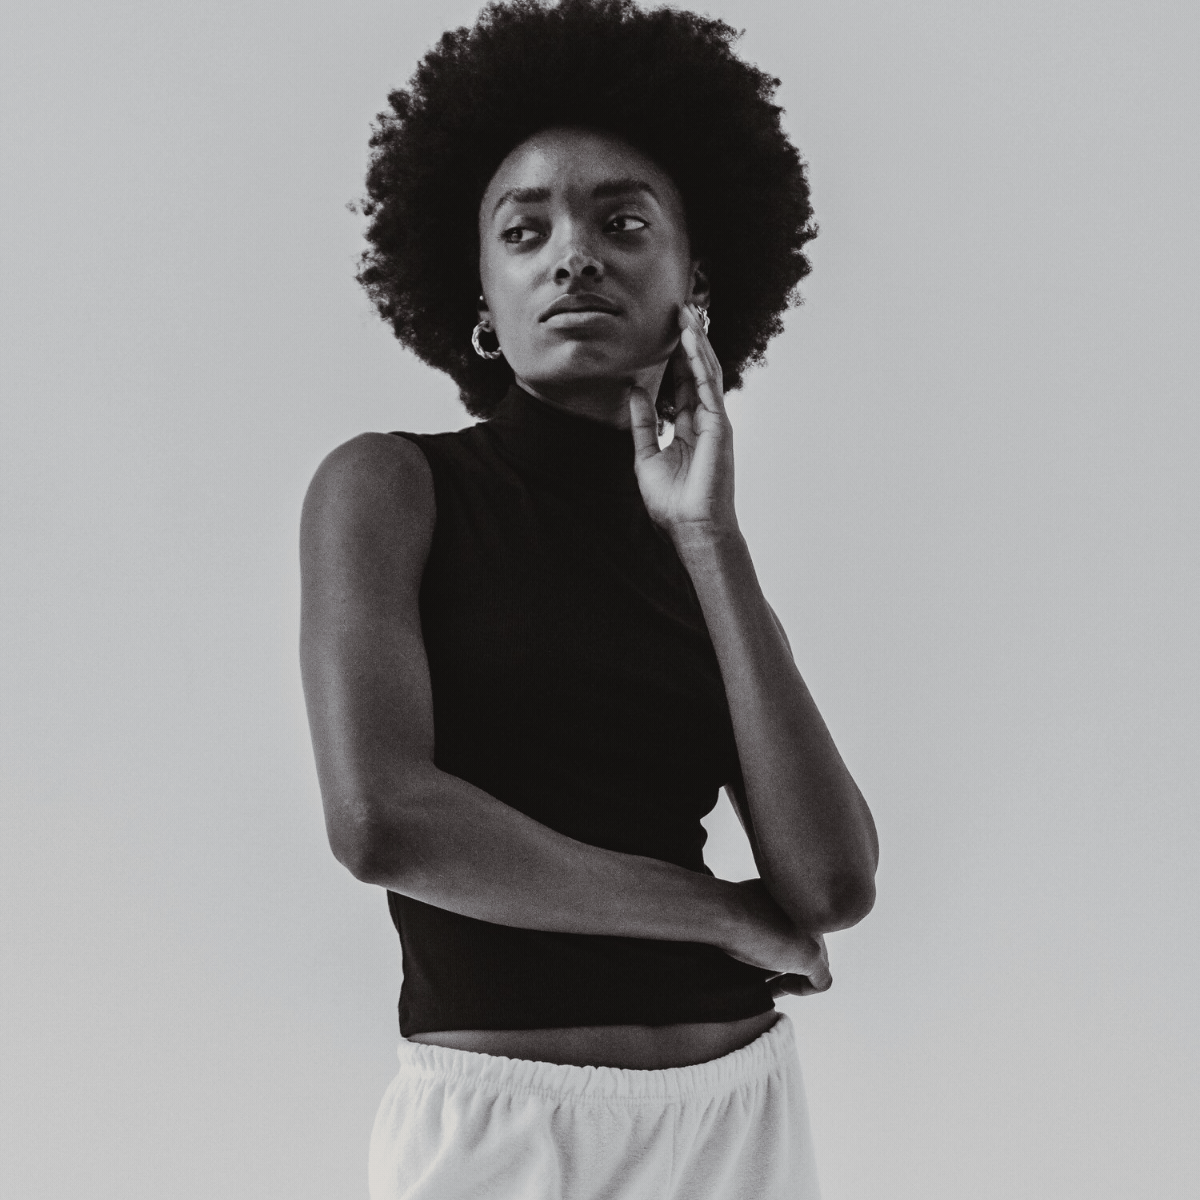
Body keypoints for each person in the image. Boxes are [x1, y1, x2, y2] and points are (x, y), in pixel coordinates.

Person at [299, 1, 879, 1196]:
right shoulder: (391, 487)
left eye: (622, 222)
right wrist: (717, 916)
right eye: (525, 231)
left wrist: (709, 537)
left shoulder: (693, 535)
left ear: (694, 281)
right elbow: (384, 825)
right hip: (500, 1130)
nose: (574, 254)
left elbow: (829, 887)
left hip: (739, 1117)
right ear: (479, 294)